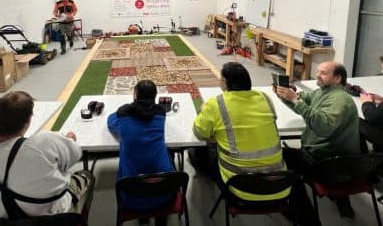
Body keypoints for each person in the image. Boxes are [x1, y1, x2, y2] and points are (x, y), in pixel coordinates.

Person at [0, 91, 94, 225]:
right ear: (28, 120)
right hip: (55, 218)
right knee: (85, 175)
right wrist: (69, 140)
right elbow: (75, 154)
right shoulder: (46, 142)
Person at [192, 62, 290, 203]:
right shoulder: (264, 97)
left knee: (197, 151)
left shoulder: (215, 104)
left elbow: (200, 132)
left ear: (224, 82)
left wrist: (203, 110)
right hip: (279, 184)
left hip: (239, 186)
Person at [274, 61, 359, 221]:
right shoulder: (323, 92)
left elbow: (322, 127)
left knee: (279, 159)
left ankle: (305, 216)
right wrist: (286, 96)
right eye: (318, 71)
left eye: (323, 73)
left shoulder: (340, 100)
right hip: (331, 156)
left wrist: (296, 101)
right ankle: (342, 201)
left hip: (326, 162)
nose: (317, 75)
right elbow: (305, 101)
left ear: (337, 78)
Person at [107, 80, 174, 226]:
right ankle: (160, 218)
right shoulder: (161, 115)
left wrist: (123, 110)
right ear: (155, 96)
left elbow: (110, 121)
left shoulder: (123, 118)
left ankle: (143, 220)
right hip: (165, 192)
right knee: (170, 155)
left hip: (132, 195)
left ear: (135, 95)